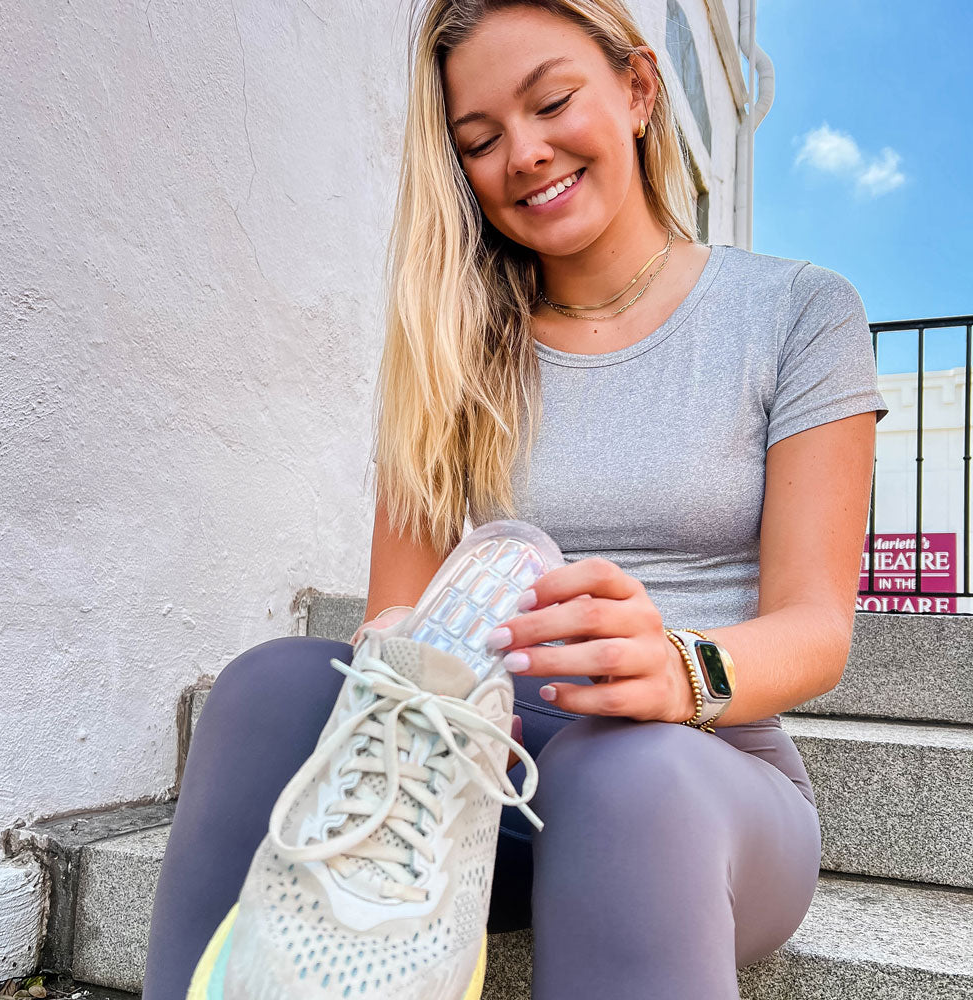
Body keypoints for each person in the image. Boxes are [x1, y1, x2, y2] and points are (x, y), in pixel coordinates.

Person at [143, 1, 889, 997]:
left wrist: (677, 668)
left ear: (635, 90)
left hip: (697, 778)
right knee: (271, 686)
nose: (524, 154)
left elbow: (814, 628)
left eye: (550, 103)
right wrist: (435, 691)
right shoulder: (449, 347)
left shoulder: (801, 312)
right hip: (468, 783)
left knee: (621, 774)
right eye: (480, 139)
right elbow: (393, 625)